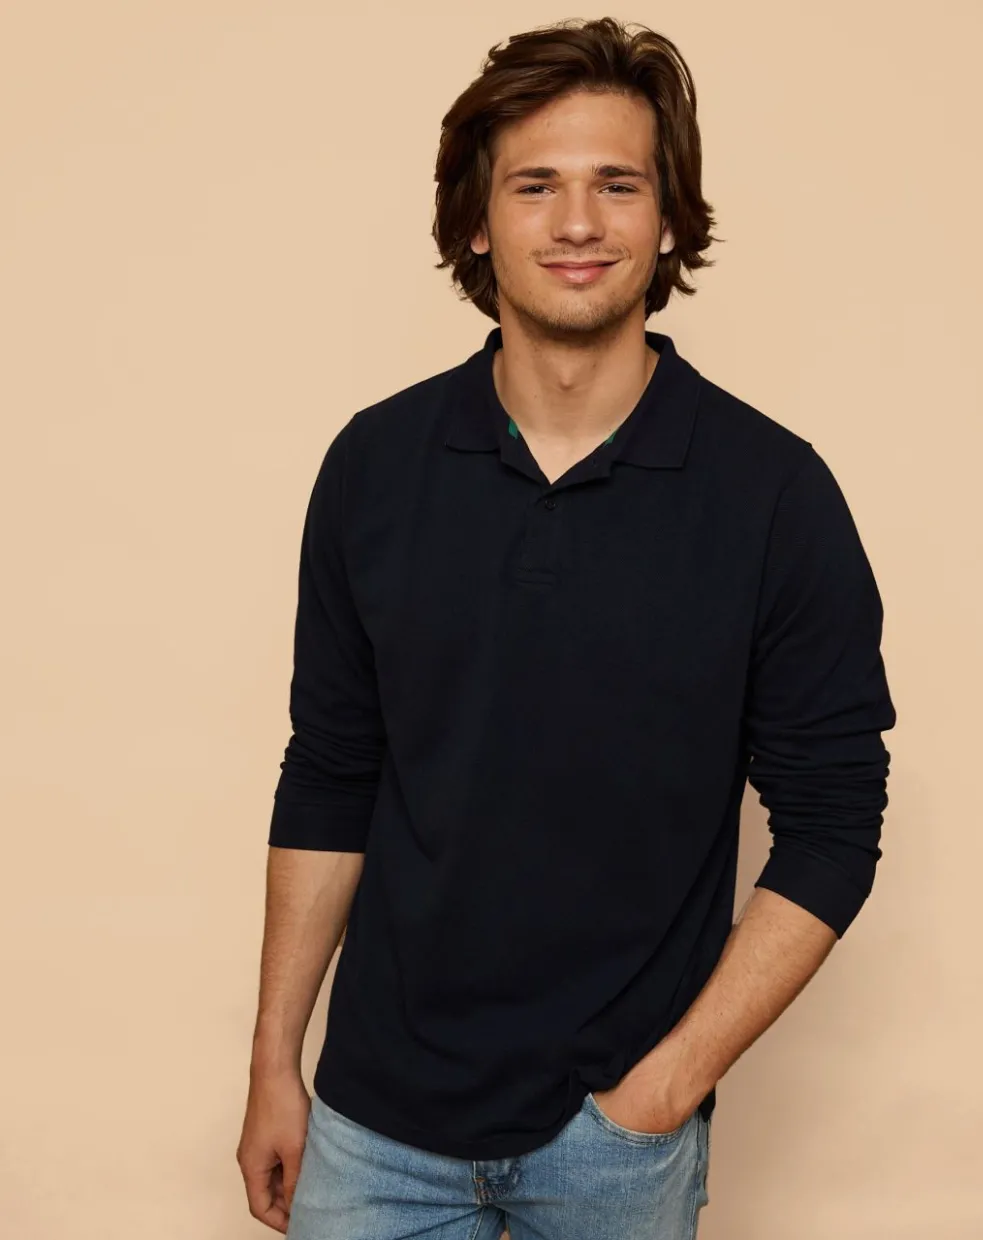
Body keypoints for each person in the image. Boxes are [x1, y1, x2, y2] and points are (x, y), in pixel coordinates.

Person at [236, 16, 896, 1240]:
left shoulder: (771, 493)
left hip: (615, 1146)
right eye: (535, 185)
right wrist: (274, 1058)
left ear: (668, 218)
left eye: (617, 184)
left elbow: (832, 825)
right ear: (478, 222)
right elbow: (331, 773)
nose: (578, 222)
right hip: (372, 1127)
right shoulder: (375, 465)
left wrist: (661, 1092)